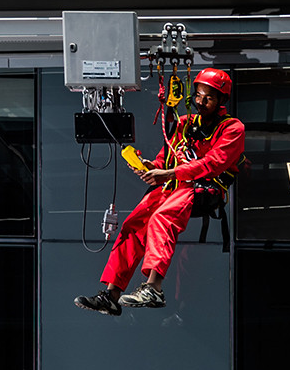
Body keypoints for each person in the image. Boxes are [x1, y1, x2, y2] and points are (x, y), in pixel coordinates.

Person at [76, 67, 244, 315]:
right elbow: (164, 160)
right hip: (173, 185)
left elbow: (213, 164)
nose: (201, 101)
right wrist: (148, 167)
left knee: (162, 218)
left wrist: (167, 174)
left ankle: (154, 287)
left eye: (208, 97)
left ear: (222, 100)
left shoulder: (232, 129)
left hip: (204, 189)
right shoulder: (185, 124)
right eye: (198, 95)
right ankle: (111, 295)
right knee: (133, 225)